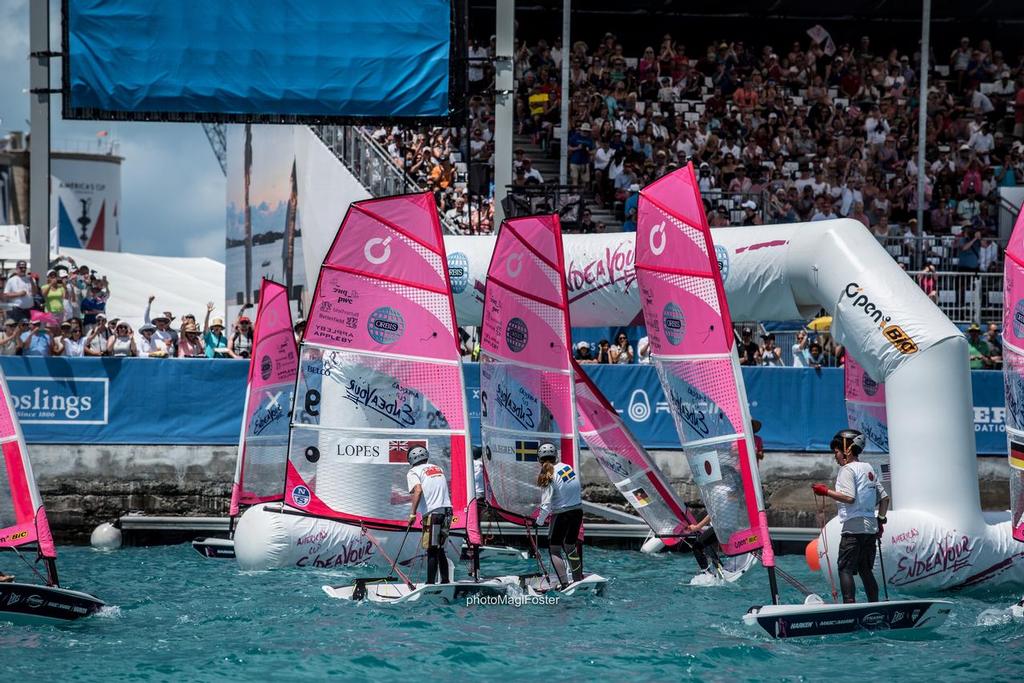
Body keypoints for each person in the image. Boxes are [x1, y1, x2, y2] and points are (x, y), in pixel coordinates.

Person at [812, 429, 890, 604]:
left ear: (847, 449)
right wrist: (881, 521)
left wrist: (825, 491)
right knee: (865, 570)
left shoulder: (847, 470)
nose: (836, 456)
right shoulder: (868, 468)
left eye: (837, 452)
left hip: (853, 528)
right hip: (871, 528)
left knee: (845, 569)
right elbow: (885, 499)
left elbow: (849, 497)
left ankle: (849, 604)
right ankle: (874, 604)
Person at [535, 443, 583, 588]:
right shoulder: (567, 467)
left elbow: (545, 505)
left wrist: (539, 522)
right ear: (556, 455)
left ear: (539, 459)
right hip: (578, 512)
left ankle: (564, 584)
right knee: (570, 546)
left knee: (554, 549)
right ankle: (577, 579)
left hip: (562, 515)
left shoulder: (548, 474)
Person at [407, 446, 453, 585]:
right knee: (440, 549)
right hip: (448, 512)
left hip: (434, 514)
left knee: (432, 550)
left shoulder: (413, 471)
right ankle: (445, 581)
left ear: (411, 459)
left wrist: (412, 514)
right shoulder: (438, 468)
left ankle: (430, 584)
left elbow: (418, 490)